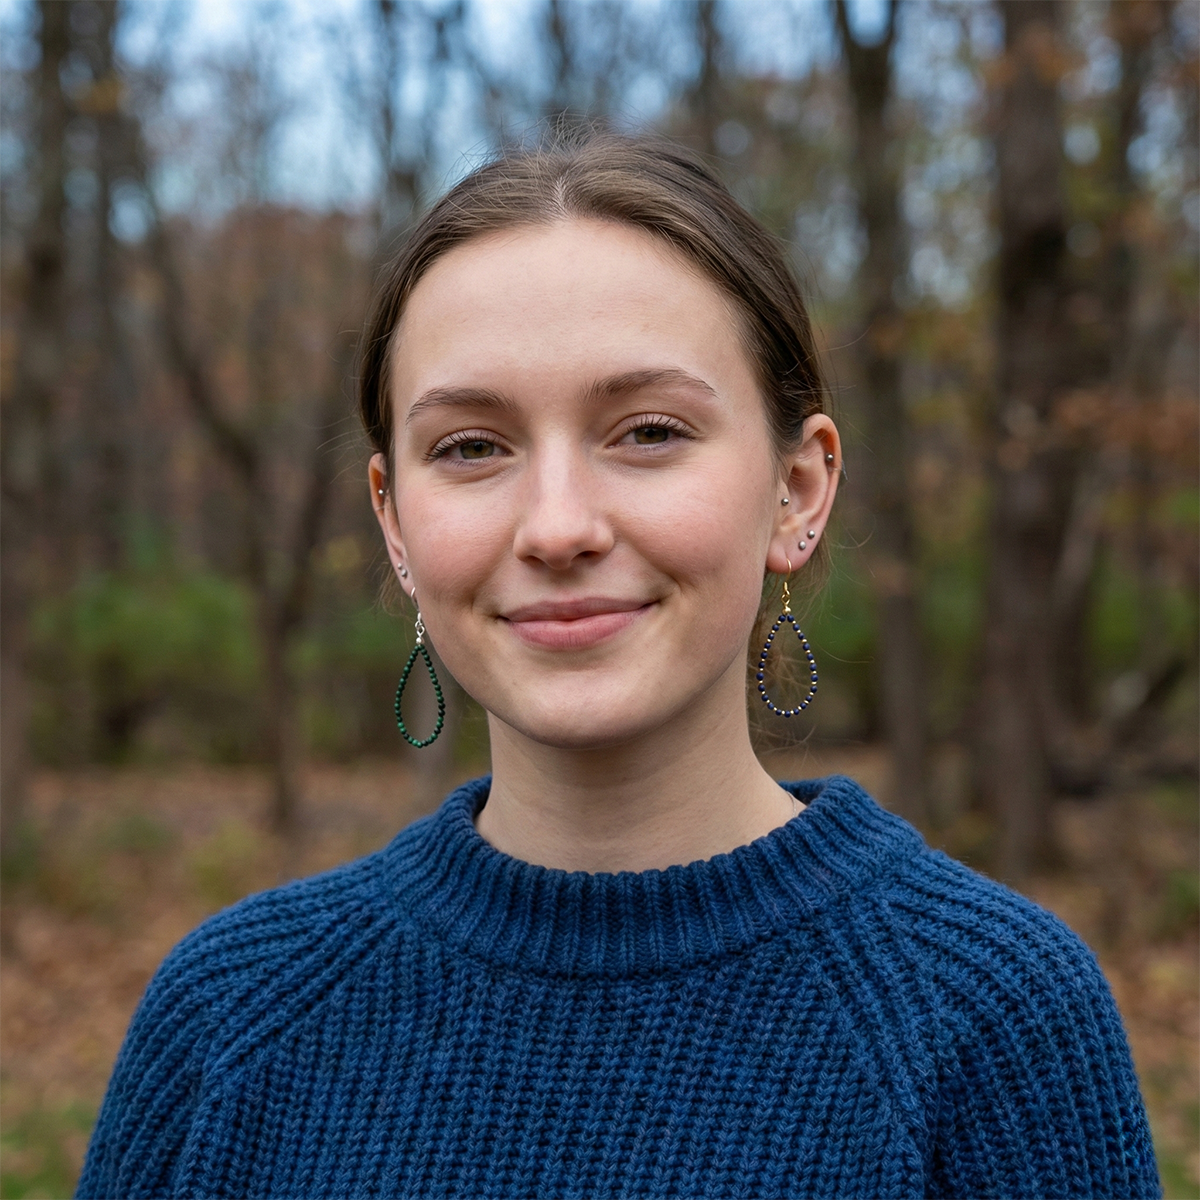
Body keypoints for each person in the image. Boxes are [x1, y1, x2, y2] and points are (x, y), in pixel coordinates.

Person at [75, 133, 1161, 1199]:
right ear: (394, 521)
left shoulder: (991, 1013)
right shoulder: (232, 1014)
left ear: (797, 490)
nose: (556, 527)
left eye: (646, 431)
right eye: (470, 447)